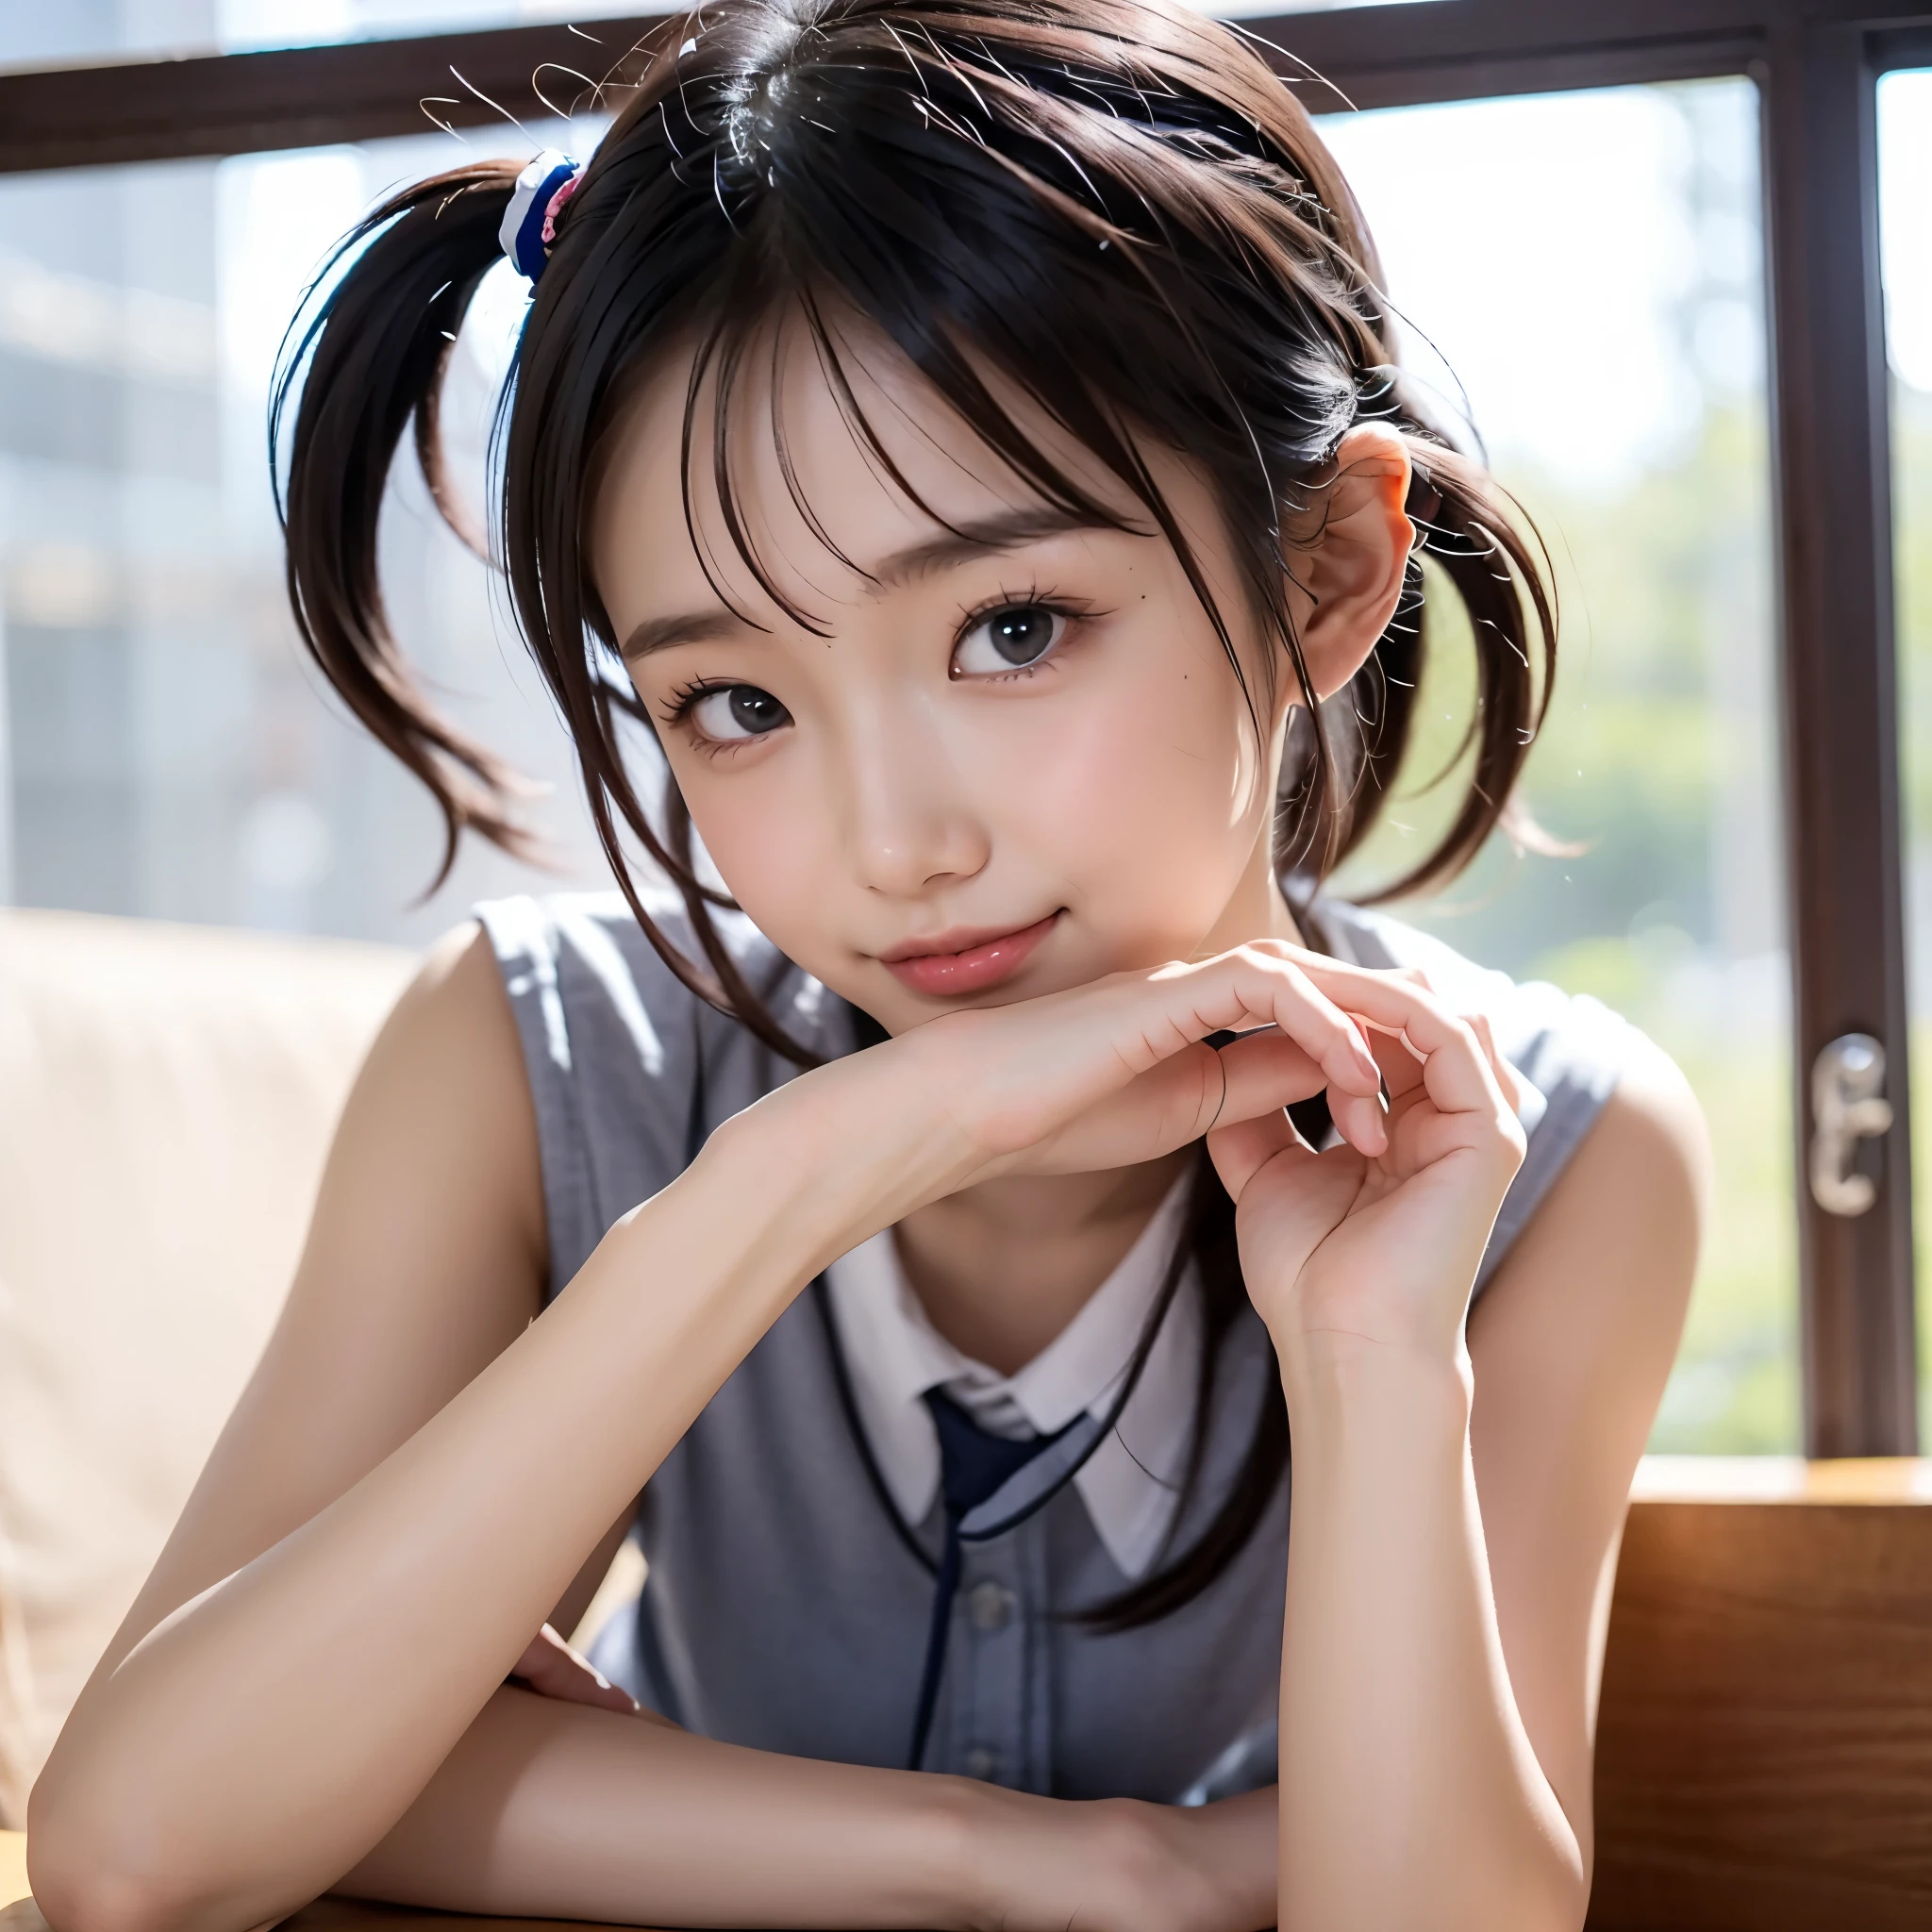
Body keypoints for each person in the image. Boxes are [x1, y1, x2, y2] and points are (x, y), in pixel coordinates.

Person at [28, 1, 1707, 1926]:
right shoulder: (537, 1056)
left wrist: (1370, 1350)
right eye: (737, 698)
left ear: (1323, 569)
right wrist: (791, 1178)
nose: (896, 845)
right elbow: (135, 1851)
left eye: (1012, 628)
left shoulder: (1549, 1145)